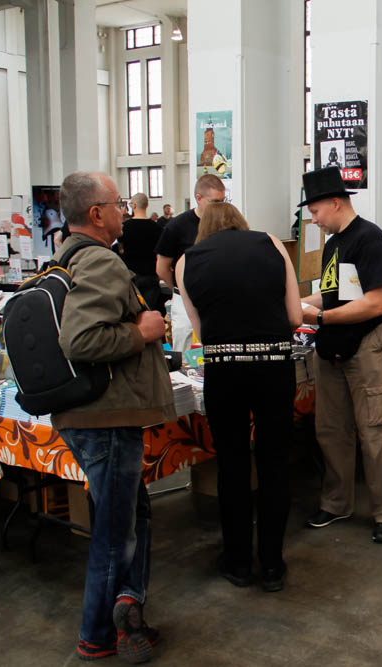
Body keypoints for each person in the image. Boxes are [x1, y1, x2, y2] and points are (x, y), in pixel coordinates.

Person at [53, 171, 174, 662]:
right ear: (96, 213)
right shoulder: (101, 261)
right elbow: (80, 340)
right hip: (105, 415)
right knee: (114, 531)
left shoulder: (65, 258)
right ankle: (99, 633)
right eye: (117, 203)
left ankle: (129, 606)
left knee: (129, 515)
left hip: (91, 413)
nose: (124, 210)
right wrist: (142, 332)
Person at [176, 203, 301, 592]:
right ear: (240, 223)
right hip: (274, 368)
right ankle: (272, 565)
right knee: (274, 463)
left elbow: (201, 333)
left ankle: (238, 563)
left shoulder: (185, 262)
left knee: (231, 465)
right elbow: (295, 317)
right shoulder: (272, 245)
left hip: (224, 371)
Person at [299, 167, 382, 543]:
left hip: (367, 344)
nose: (313, 219)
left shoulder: (371, 240)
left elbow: (375, 303)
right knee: (331, 430)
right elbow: (331, 294)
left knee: (374, 431)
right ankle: (337, 502)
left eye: (315, 212)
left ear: (335, 202)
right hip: (333, 347)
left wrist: (319, 317)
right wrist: (296, 304)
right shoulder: (333, 244)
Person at [156, 174, 226, 351]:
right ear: (198, 198)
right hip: (185, 299)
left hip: (218, 296)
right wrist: (180, 289)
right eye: (214, 202)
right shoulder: (176, 226)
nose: (220, 207)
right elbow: (162, 268)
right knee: (186, 346)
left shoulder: (225, 224)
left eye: (223, 201)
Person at [119, 193, 164, 314]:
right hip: (151, 275)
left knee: (132, 313)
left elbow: (120, 249)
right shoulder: (157, 228)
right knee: (150, 311)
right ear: (147, 205)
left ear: (133, 205)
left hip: (130, 275)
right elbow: (160, 254)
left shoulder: (124, 227)